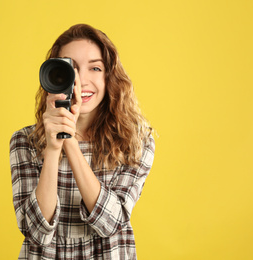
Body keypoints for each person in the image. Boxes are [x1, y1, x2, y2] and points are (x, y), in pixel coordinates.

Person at [10, 24, 155, 259]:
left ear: (109, 76)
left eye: (95, 68)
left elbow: (110, 222)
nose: (81, 81)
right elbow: (35, 231)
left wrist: (68, 141)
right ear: (54, 76)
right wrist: (53, 147)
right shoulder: (24, 142)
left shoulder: (136, 141)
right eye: (71, 69)